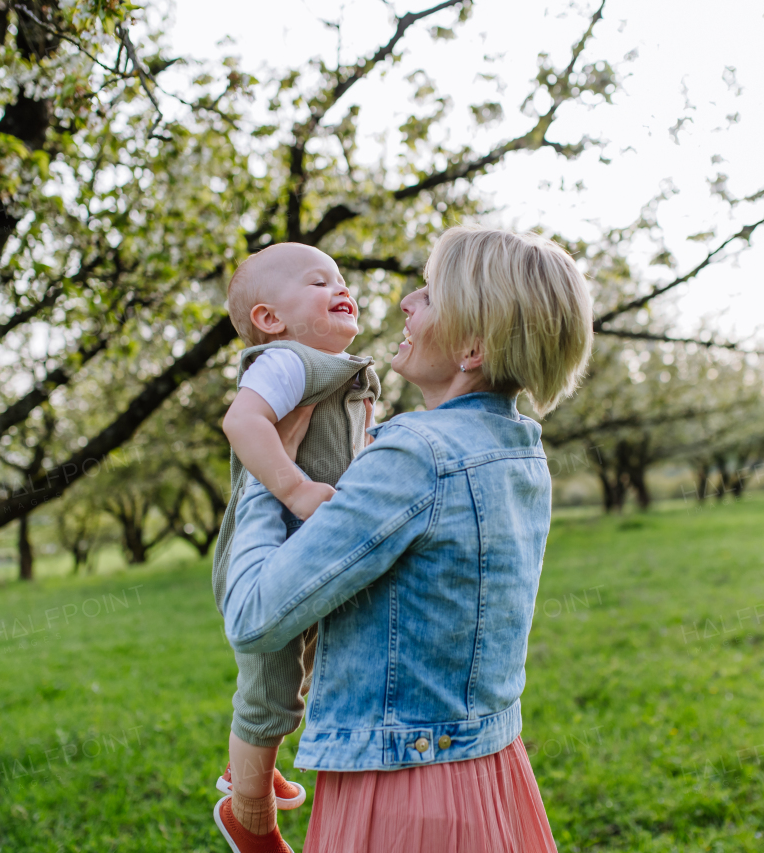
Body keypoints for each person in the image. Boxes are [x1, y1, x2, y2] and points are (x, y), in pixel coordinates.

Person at [221, 226, 594, 852]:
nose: (406, 303)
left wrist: (266, 478)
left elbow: (255, 618)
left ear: (472, 346)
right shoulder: (520, 452)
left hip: (400, 788)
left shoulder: (416, 455)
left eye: (430, 294)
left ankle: (249, 807)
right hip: (488, 768)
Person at [210, 242, 380, 853]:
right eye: (317, 281)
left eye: (340, 277)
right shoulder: (282, 362)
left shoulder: (335, 370)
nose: (341, 287)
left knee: (297, 670)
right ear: (269, 319)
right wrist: (295, 486)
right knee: (271, 682)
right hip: (269, 549)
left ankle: (251, 761)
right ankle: (248, 814)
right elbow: (242, 423)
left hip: (307, 550)